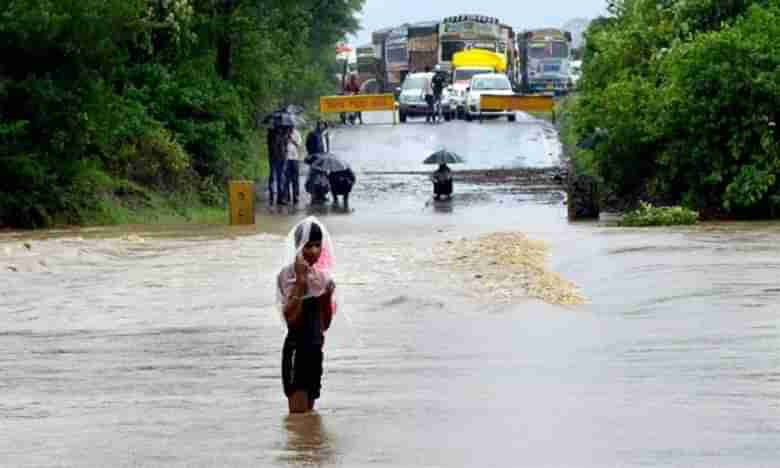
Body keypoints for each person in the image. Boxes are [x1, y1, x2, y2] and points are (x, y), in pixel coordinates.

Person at [277, 217, 336, 414]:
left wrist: (327, 297)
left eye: (317, 246)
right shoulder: (287, 276)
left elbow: (324, 325)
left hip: (315, 352)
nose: (312, 251)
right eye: (307, 246)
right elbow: (290, 319)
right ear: (297, 246)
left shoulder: (322, 279)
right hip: (297, 352)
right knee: (297, 417)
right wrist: (301, 283)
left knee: (308, 419)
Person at [267, 127, 288, 205]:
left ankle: (280, 198)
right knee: (272, 176)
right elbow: (271, 146)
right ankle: (271, 197)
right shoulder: (271, 133)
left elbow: (285, 146)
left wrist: (285, 138)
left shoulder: (285, 133)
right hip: (273, 157)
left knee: (281, 177)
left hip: (282, 157)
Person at [285, 127, 303, 204]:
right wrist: (286, 138)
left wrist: (292, 139)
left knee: (295, 179)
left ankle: (296, 196)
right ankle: (287, 196)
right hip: (286, 158)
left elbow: (299, 145)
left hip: (295, 158)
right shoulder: (284, 132)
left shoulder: (297, 133)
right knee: (286, 179)